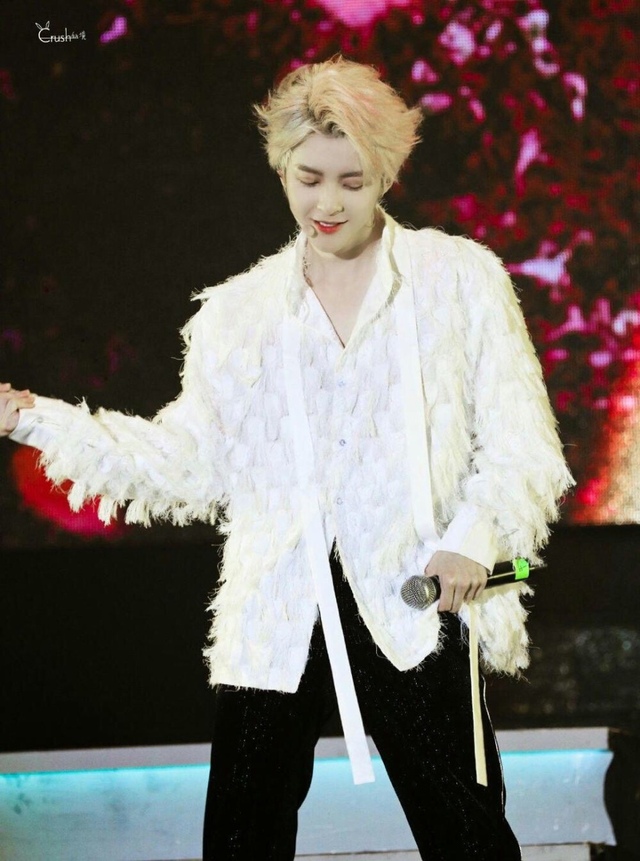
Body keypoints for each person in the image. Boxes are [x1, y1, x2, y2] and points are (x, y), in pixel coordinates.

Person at [1, 57, 573, 860]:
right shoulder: (239, 313)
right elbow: (184, 462)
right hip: (277, 609)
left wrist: (472, 540)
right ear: (281, 168)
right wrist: (37, 421)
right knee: (241, 838)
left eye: (352, 181)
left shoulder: (459, 280)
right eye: (309, 179)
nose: (328, 203)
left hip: (414, 596)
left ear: (386, 173)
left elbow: (522, 445)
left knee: (468, 836)